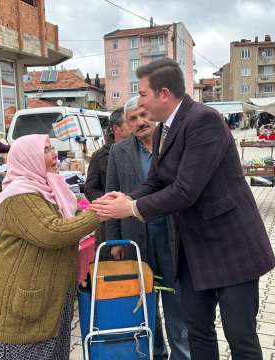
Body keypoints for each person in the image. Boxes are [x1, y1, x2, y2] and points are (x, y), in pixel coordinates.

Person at [91, 58, 275, 360]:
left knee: (240, 338)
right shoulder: (166, 128)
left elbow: (185, 191)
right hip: (192, 251)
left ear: (164, 93)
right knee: (198, 332)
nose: (140, 102)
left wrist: (132, 208)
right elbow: (157, 179)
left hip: (230, 249)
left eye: (144, 94)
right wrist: (122, 199)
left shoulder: (204, 120)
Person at [0, 134, 104, 360]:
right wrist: (100, 213)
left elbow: (69, 217)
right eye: (45, 150)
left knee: (52, 350)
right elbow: (53, 232)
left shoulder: (50, 188)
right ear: (28, 158)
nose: (54, 154)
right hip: (22, 295)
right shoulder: (21, 195)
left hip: (47, 292)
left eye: (51, 148)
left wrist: (95, 208)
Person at [105, 96, 190, 360]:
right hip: (136, 241)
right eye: (133, 119)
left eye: (144, 115)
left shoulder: (174, 144)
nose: (140, 122)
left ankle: (182, 354)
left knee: (177, 302)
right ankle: (154, 352)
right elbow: (111, 195)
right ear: (127, 125)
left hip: (174, 238)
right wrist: (115, 242)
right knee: (144, 302)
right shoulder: (119, 152)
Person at [84, 108, 132, 247]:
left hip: (134, 220)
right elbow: (90, 189)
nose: (134, 125)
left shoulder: (138, 151)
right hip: (109, 224)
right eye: (129, 122)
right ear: (116, 128)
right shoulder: (100, 156)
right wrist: (110, 201)